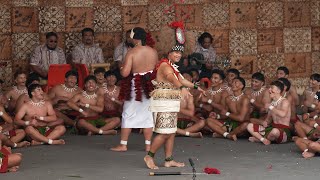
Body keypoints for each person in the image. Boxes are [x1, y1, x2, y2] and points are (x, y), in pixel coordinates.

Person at [144, 43, 204, 169]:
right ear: (168, 53)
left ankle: (168, 160)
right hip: (163, 103)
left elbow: (182, 80)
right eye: (175, 52)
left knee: (171, 132)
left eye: (180, 53)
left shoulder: (173, 66)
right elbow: (172, 78)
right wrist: (181, 88)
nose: (178, 55)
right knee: (165, 133)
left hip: (170, 102)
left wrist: (197, 87)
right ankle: (149, 156)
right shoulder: (165, 65)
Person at [110, 27, 158, 152]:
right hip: (150, 85)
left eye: (130, 37)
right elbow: (155, 70)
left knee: (128, 113)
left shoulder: (132, 52)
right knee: (148, 114)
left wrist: (121, 67)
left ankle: (123, 144)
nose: (129, 39)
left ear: (135, 38)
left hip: (136, 86)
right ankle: (148, 146)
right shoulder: (153, 51)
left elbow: (125, 73)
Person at [247, 81, 291, 145]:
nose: (269, 90)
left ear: (278, 91)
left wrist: (271, 107)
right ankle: (263, 139)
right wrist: (264, 122)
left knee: (275, 131)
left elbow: (283, 114)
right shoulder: (272, 103)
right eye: (269, 88)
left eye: (272, 88)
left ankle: (259, 139)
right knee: (249, 126)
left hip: (283, 130)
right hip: (272, 128)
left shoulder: (285, 101)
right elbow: (268, 120)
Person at [206, 77, 250, 141]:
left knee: (246, 125)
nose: (233, 84)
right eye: (232, 82)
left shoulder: (245, 99)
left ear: (241, 86)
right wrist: (217, 116)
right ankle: (228, 135)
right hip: (230, 124)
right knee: (208, 120)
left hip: (242, 127)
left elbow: (241, 118)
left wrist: (227, 114)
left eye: (236, 82)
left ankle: (223, 134)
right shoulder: (228, 98)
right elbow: (224, 115)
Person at [176, 72, 204, 138]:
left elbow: (191, 113)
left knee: (202, 122)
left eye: (187, 76)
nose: (185, 78)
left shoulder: (189, 95)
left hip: (186, 121)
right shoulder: (173, 92)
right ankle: (188, 134)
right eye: (183, 77)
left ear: (191, 79)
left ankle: (180, 133)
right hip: (173, 120)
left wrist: (176, 108)